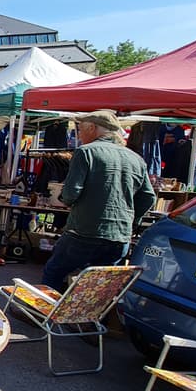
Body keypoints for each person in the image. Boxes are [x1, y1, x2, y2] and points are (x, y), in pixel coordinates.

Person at [41, 110, 156, 291]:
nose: (79, 135)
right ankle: (82, 316)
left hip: (85, 231)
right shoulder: (136, 159)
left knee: (54, 272)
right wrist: (132, 221)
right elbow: (148, 197)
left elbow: (71, 193)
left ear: (92, 128)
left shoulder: (85, 152)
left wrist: (63, 197)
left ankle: (42, 314)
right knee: (96, 286)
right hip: (119, 235)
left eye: (80, 130)